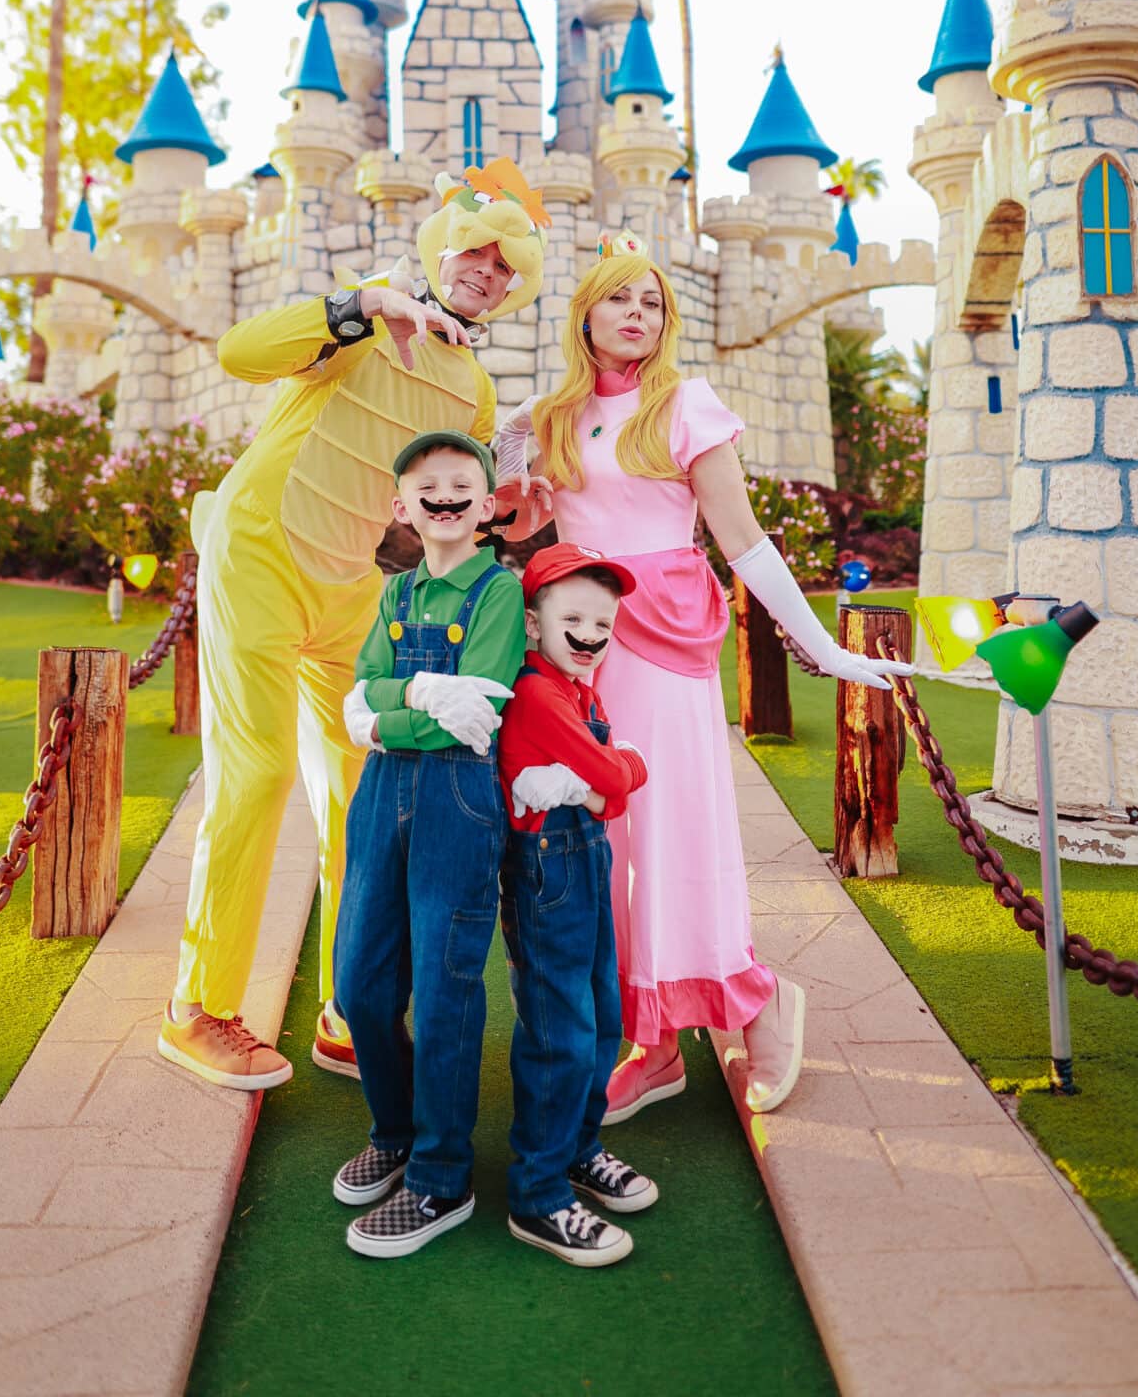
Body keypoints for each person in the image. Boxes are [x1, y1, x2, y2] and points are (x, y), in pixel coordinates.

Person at [495, 237, 911, 1124]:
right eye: (620, 300)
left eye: (651, 302)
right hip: (581, 642)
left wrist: (821, 650)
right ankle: (652, 1045)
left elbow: (744, 538)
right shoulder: (553, 415)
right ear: (586, 315)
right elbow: (514, 510)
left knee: (670, 834)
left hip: (664, 641)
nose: (636, 314)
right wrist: (505, 472)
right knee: (603, 842)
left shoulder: (685, 404)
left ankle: (756, 1006)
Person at [157, 161, 550, 1092]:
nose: (484, 271)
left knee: (361, 793)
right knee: (256, 774)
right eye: (473, 252)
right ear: (440, 251)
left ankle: (350, 1005)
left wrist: (505, 506)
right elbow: (240, 352)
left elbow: (437, 508)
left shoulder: (475, 392)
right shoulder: (364, 323)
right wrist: (357, 308)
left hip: (350, 583)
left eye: (504, 265)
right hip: (259, 547)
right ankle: (199, 1008)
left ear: (514, 285)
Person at [331, 431, 525, 1258]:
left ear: (486, 506)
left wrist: (383, 718)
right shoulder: (396, 592)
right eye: (425, 486)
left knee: (446, 992)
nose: (442, 496)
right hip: (381, 799)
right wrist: (413, 691)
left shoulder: (498, 593)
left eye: (460, 485)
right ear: (400, 505)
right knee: (360, 982)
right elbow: (360, 685)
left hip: (456, 799)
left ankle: (441, 1178)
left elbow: (479, 705)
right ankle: (396, 1128)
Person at [498, 542, 657, 1268]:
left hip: (586, 850)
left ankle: (577, 1147)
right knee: (559, 1026)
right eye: (574, 618)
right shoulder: (538, 691)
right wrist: (608, 777)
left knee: (602, 1015)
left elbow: (615, 779)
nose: (592, 634)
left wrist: (606, 783)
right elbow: (613, 769)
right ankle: (536, 1188)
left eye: (604, 620)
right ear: (533, 625)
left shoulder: (580, 687)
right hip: (547, 866)